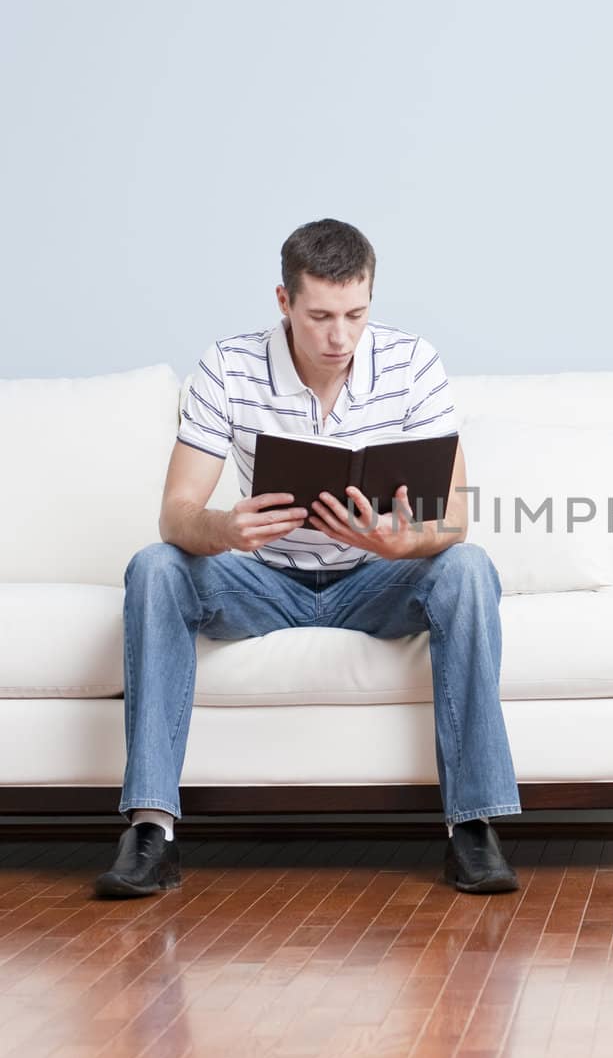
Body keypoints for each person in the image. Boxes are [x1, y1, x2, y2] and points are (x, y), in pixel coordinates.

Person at [94, 219, 521, 898]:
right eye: (320, 316)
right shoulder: (228, 366)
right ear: (284, 301)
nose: (339, 337)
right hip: (262, 579)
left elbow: (456, 521)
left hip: (375, 579)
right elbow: (175, 514)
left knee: (469, 570)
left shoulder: (413, 365)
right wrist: (224, 528)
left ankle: (472, 827)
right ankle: (151, 829)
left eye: (356, 314)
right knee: (155, 565)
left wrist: (401, 543)